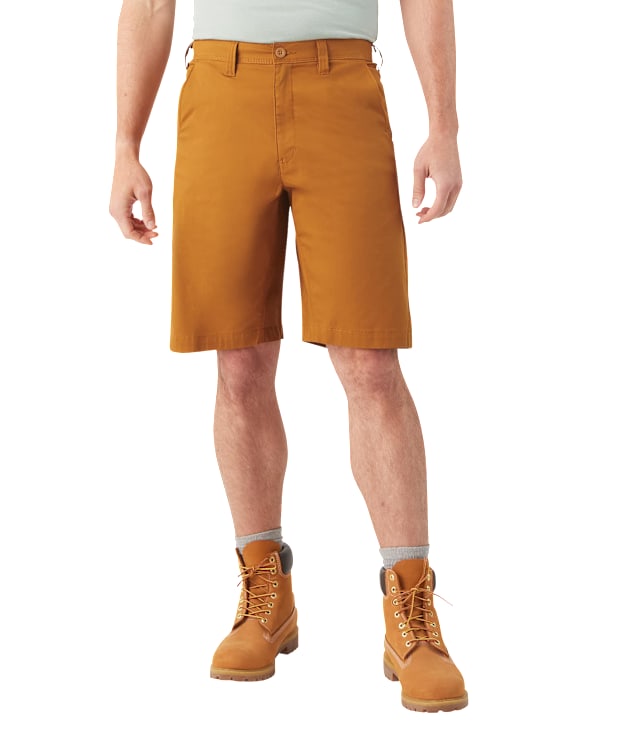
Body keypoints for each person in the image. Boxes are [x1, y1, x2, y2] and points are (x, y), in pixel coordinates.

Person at [109, 0, 465, 712]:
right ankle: (265, 591)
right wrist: (125, 145)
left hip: (342, 86)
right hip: (221, 87)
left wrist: (443, 125)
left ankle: (412, 612)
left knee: (370, 360)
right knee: (238, 360)